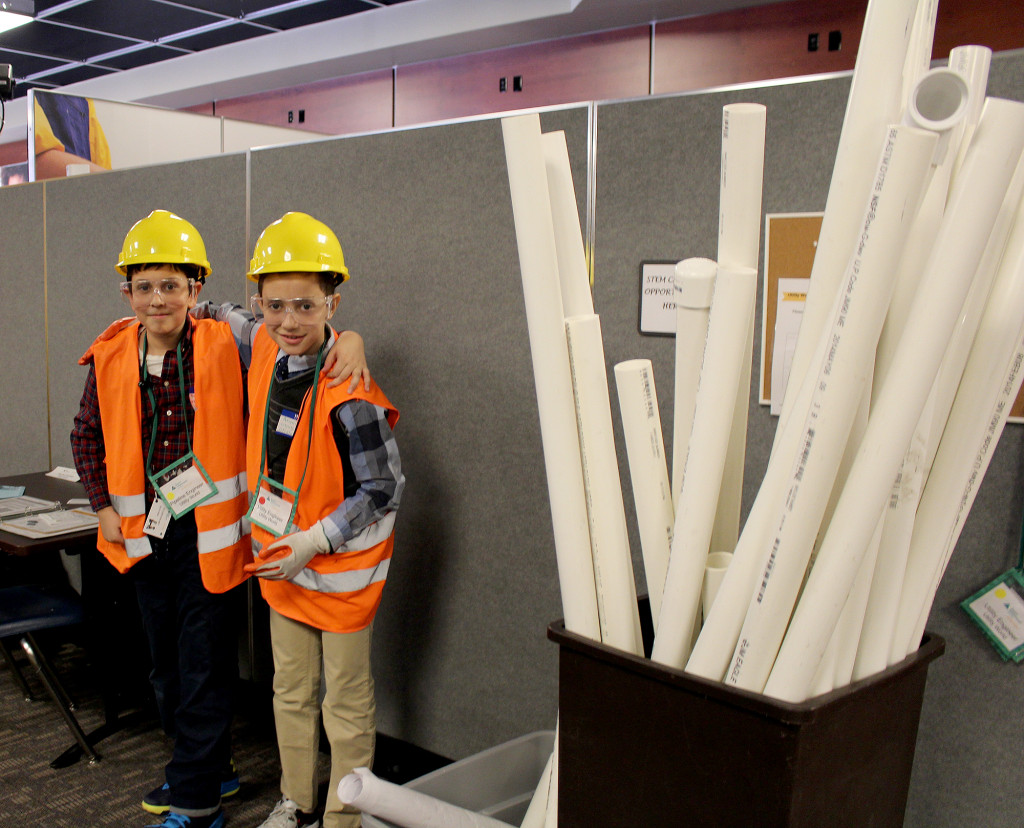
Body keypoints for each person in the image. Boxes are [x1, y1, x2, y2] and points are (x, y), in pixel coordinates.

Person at [69, 210, 369, 828]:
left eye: (172, 286)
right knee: (165, 665)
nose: (158, 299)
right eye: (145, 287)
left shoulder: (228, 341)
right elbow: (86, 436)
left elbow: (296, 327)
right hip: (146, 533)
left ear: (196, 290)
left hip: (214, 536)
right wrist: (102, 507)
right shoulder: (111, 354)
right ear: (127, 292)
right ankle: (206, 766)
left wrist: (351, 341)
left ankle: (196, 801)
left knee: (203, 661)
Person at [240, 212, 403, 828]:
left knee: (346, 704)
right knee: (290, 692)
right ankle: (298, 801)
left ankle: (343, 816)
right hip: (285, 574)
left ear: (331, 303)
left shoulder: (350, 390)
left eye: (305, 307)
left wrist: (315, 540)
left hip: (339, 580)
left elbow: (385, 487)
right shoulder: (262, 345)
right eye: (275, 304)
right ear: (259, 302)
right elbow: (202, 308)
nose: (288, 321)